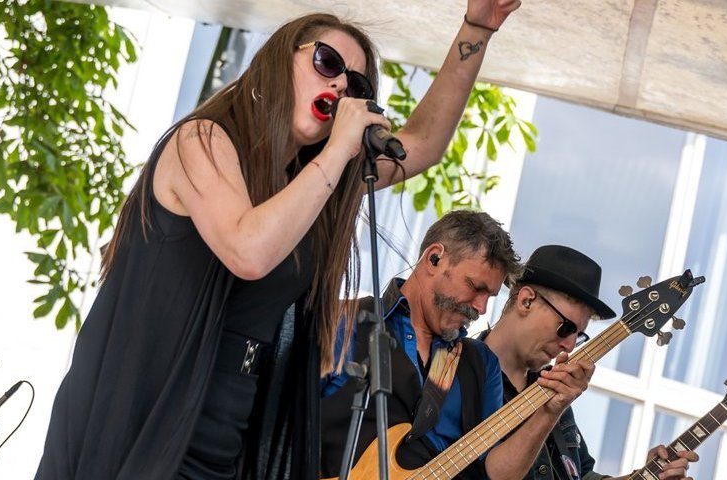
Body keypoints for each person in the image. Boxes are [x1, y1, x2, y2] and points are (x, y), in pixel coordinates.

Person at [36, 2, 523, 478]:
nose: (338, 86)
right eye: (326, 63)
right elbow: (248, 251)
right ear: (276, 59)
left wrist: (476, 28)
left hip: (231, 420)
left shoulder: (310, 187)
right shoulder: (202, 141)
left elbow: (423, 143)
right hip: (149, 408)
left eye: (354, 85)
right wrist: (337, 153)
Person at [319, 211, 595, 480]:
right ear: (434, 258)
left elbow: (494, 473)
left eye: (490, 296)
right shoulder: (344, 321)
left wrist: (549, 411)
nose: (482, 307)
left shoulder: (480, 363)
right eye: (476, 287)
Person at [478, 245, 700, 480]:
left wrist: (644, 476)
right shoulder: (461, 373)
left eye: (579, 335)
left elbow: (581, 475)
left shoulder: (552, 390)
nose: (570, 346)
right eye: (566, 327)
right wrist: (547, 413)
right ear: (526, 301)